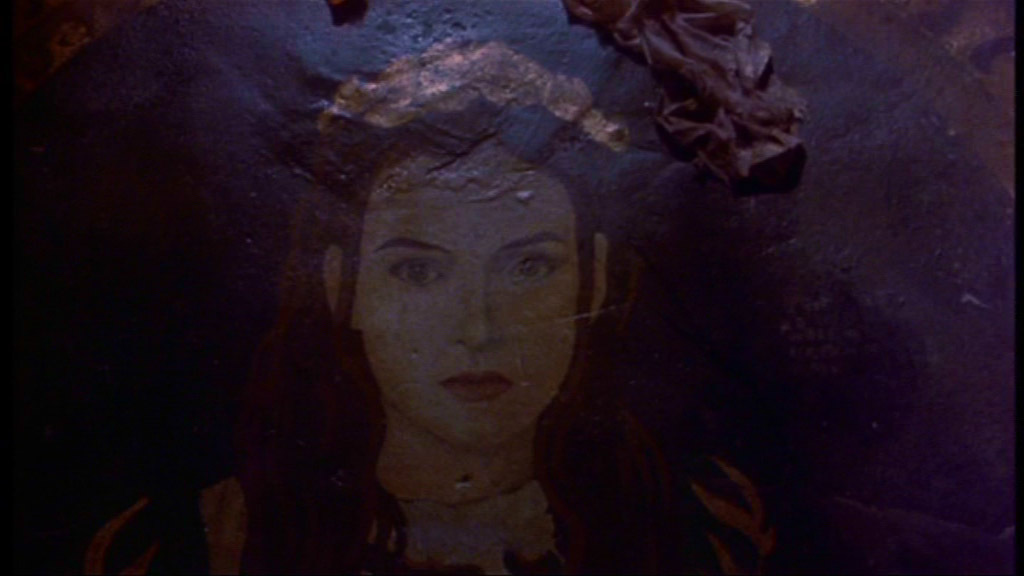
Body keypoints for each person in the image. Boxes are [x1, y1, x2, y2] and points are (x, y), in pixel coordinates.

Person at [86, 41, 773, 575]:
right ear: (345, 289)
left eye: (529, 267)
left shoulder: (701, 530)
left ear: (591, 285)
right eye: (418, 271)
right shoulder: (199, 545)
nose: (478, 330)